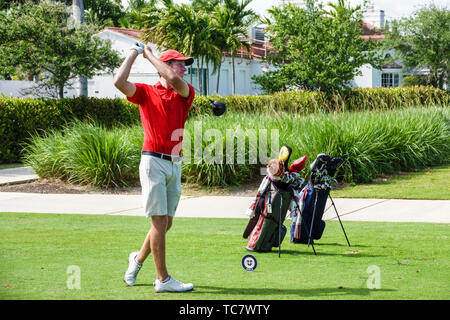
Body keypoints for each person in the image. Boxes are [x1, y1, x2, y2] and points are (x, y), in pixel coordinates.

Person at [114, 42, 195, 293]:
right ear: (165, 66)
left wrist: (148, 54)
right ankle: (162, 279)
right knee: (159, 222)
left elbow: (171, 78)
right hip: (153, 162)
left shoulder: (185, 92)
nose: (184, 69)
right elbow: (119, 82)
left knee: (165, 223)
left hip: (175, 164)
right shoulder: (146, 92)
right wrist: (134, 53)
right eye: (180, 64)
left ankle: (137, 260)